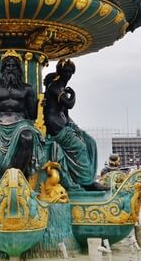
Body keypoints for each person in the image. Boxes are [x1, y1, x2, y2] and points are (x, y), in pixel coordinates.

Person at [0, 50, 44, 185]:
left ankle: (16, 178)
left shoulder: (27, 89)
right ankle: (5, 176)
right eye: (7, 66)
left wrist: (42, 106)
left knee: (27, 138)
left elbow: (32, 114)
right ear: (2, 69)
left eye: (14, 66)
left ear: (19, 68)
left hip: (21, 124)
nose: (10, 69)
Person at [43, 59, 106, 191]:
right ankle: (86, 182)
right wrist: (73, 94)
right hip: (56, 128)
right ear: (59, 72)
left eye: (71, 72)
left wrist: (74, 126)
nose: (68, 74)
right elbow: (69, 104)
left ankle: (91, 177)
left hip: (65, 126)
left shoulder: (62, 89)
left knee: (90, 142)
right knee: (81, 147)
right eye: (66, 71)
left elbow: (65, 113)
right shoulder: (55, 87)